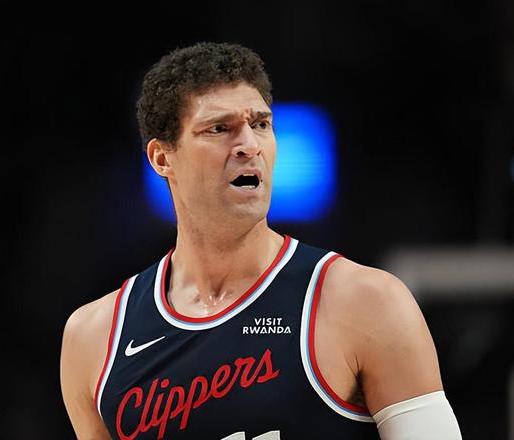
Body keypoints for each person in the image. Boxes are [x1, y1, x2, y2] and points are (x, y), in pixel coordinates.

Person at [60, 42, 462, 440]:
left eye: (261, 125)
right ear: (162, 159)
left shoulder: (365, 302)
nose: (249, 146)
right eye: (220, 128)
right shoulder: (95, 337)